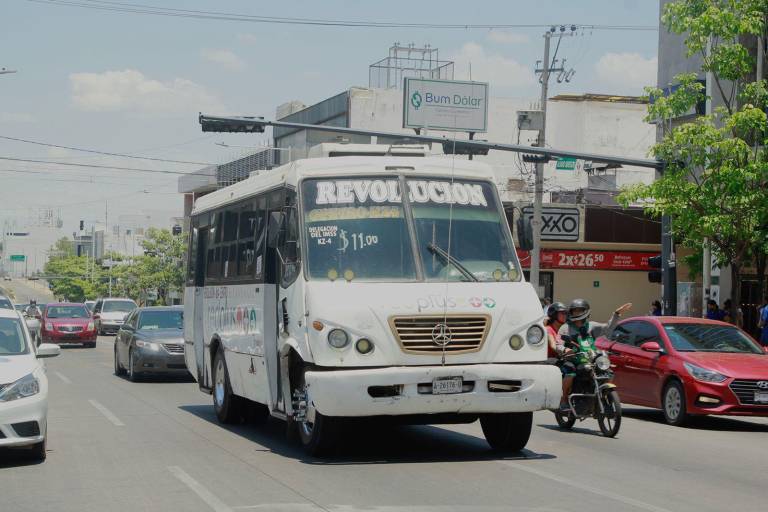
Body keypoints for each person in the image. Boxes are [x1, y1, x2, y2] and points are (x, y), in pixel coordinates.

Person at [556, 299, 632, 410]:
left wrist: (616, 314)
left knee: (608, 373)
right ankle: (563, 400)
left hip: (589, 359)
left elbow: (608, 329)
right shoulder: (565, 328)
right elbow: (558, 343)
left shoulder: (591, 326)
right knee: (570, 374)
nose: (576, 313)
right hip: (573, 358)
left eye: (579, 310)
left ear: (585, 311)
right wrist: (565, 350)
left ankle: (602, 396)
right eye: (574, 311)